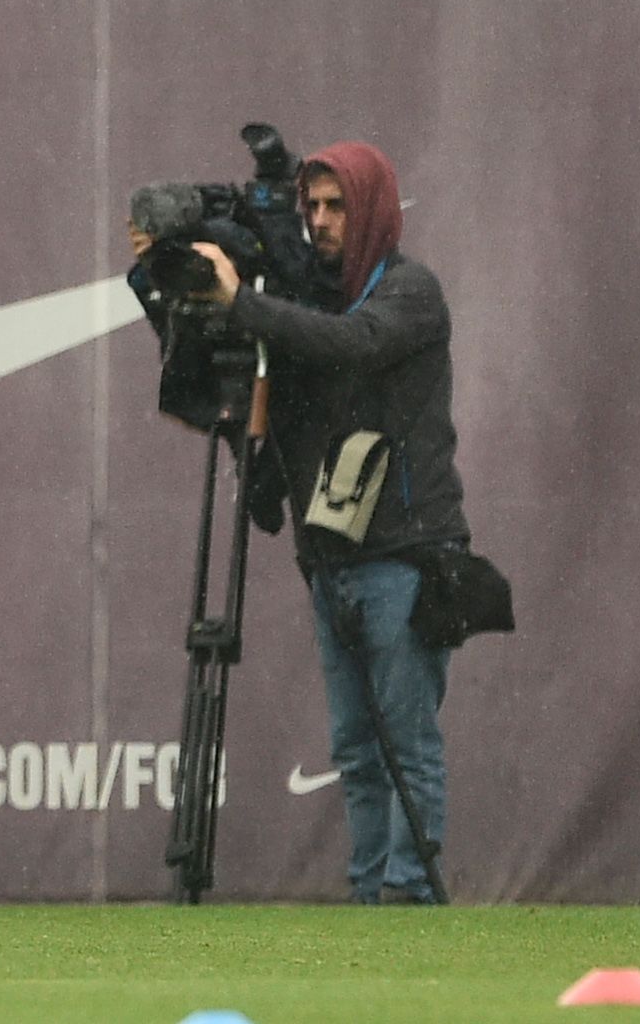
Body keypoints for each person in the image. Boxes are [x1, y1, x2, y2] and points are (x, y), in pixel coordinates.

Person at [193, 139, 471, 904]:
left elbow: (356, 345)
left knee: (405, 741)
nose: (318, 221)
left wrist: (243, 304)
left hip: (405, 553)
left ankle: (409, 897)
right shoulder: (307, 303)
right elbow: (301, 391)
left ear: (373, 207)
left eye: (335, 205)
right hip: (333, 555)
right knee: (355, 748)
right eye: (309, 207)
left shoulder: (411, 292)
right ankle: (367, 892)